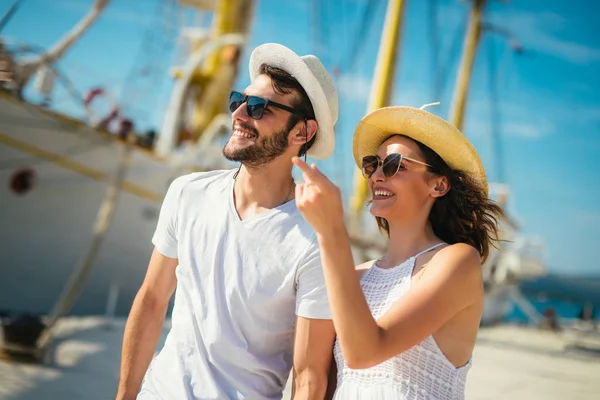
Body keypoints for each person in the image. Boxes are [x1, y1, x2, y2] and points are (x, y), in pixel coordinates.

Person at [116, 43, 339, 400]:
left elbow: (310, 375)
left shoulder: (313, 241)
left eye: (258, 107)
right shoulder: (187, 193)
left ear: (303, 133)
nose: (239, 113)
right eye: (239, 100)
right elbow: (152, 300)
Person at [292, 104, 503, 399]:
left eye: (395, 165)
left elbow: (366, 351)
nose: (377, 176)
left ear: (439, 185)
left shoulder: (457, 261)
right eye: (372, 165)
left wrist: (332, 232)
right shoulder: (356, 276)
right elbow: (318, 381)